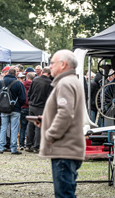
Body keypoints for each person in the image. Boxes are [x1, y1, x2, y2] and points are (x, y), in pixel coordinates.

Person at [38, 50, 85, 198]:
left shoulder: (65, 83)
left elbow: (65, 113)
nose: (50, 66)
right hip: (68, 148)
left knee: (64, 194)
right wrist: (46, 121)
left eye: (52, 63)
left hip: (64, 148)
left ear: (63, 64)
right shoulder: (71, 81)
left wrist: (50, 134)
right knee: (67, 192)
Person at [0, 67, 26, 154]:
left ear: (7, 73)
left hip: (3, 109)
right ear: (15, 74)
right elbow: (23, 98)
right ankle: (13, 148)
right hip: (15, 109)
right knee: (14, 128)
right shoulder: (18, 84)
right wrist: (18, 105)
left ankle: (1, 147)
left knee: (3, 128)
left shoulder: (0, 83)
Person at [26, 67, 53, 153]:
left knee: (30, 125)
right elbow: (49, 97)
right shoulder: (49, 83)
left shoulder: (35, 80)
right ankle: (36, 146)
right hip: (41, 106)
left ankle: (28, 145)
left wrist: (31, 101)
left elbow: (29, 92)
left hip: (32, 105)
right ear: (49, 74)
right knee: (39, 126)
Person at [19, 72, 35, 150]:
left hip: (23, 107)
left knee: (22, 126)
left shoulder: (22, 84)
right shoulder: (35, 85)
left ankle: (21, 144)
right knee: (31, 126)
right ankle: (29, 143)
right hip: (32, 107)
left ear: (27, 78)